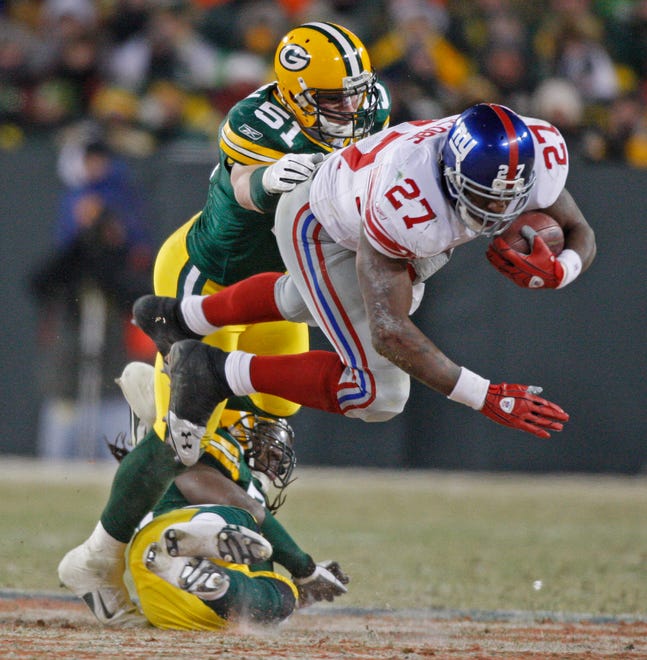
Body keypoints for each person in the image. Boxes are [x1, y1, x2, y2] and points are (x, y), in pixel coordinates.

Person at [56, 19, 389, 627]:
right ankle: (99, 556)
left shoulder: (372, 110)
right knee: (183, 440)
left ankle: (171, 502)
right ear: (292, 93)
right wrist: (269, 179)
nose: (350, 108)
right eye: (331, 97)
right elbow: (242, 182)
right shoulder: (256, 120)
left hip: (282, 291)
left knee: (269, 443)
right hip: (208, 279)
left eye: (355, 92)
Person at [134, 102, 596, 446]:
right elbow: (389, 332)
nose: (501, 213)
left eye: (512, 199)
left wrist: (562, 271)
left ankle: (187, 318)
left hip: (373, 205)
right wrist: (484, 395)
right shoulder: (410, 199)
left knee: (308, 299)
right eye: (486, 199)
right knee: (377, 393)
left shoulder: (536, 152)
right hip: (320, 222)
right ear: (453, 174)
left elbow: (578, 229)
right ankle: (215, 371)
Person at [68, 361, 349, 629]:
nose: (275, 449)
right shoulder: (210, 442)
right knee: (245, 515)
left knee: (278, 595)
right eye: (263, 426)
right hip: (165, 537)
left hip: (175, 606)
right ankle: (197, 540)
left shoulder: (242, 477)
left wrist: (305, 588)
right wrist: (305, 568)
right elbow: (233, 502)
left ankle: (215, 582)